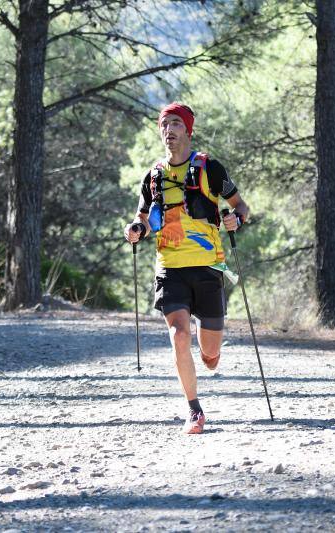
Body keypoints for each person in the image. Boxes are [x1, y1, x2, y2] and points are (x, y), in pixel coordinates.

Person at [124, 102, 250, 435]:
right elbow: (144, 217)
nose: (169, 131)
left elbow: (240, 206)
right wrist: (135, 229)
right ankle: (194, 409)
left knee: (209, 353)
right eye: (164, 125)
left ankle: (210, 352)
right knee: (179, 335)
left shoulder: (211, 168)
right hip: (170, 266)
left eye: (176, 124)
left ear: (188, 130)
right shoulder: (153, 176)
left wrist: (235, 219)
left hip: (208, 266)